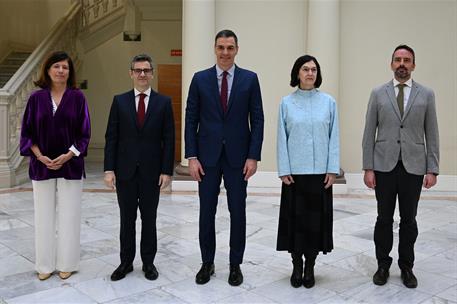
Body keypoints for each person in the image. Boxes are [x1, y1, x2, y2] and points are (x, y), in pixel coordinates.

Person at [185, 29, 264, 286]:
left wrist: (253, 156)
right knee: (206, 211)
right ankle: (207, 262)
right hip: (206, 158)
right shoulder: (199, 79)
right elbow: (191, 119)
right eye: (221, 47)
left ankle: (235, 264)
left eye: (230, 48)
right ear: (215, 49)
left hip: (238, 158)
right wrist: (192, 156)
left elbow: (258, 119)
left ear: (237, 49)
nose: (225, 52)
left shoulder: (250, 79)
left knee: (237, 211)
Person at [362, 45, 439, 288]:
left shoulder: (426, 94)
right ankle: (382, 264)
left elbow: (432, 132)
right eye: (398, 60)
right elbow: (368, 131)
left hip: (414, 166)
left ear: (413, 65)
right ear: (391, 64)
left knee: (409, 220)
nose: (402, 64)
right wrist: (368, 167)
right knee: (383, 218)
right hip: (384, 165)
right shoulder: (378, 93)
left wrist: (432, 168)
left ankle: (407, 266)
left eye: (407, 60)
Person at [20, 51, 91, 281]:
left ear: (70, 72)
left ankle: (67, 263)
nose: (61, 70)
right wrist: (40, 156)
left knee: (70, 215)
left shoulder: (78, 97)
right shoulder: (36, 98)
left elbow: (84, 134)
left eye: (65, 67)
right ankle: (44, 265)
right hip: (42, 166)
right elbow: (27, 133)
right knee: (43, 216)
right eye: (57, 66)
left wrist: (68, 155)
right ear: (48, 70)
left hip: (70, 165)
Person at [104, 54, 175, 281]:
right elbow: (111, 137)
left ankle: (148, 263)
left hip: (151, 173)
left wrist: (166, 171)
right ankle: (125, 262)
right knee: (127, 219)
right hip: (124, 172)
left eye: (146, 70)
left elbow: (169, 139)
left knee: (149, 219)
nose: (142, 74)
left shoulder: (163, 102)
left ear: (152, 73)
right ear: (131, 73)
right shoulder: (119, 101)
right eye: (138, 70)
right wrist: (109, 169)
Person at [276, 55, 339, 288]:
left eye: (314, 69)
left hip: (320, 174)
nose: (310, 73)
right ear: (297, 73)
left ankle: (310, 265)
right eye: (305, 69)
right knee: (296, 222)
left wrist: (333, 169)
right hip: (294, 174)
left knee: (314, 223)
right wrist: (283, 169)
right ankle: (296, 264)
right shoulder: (286, 103)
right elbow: (281, 138)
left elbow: (334, 137)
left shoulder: (329, 102)